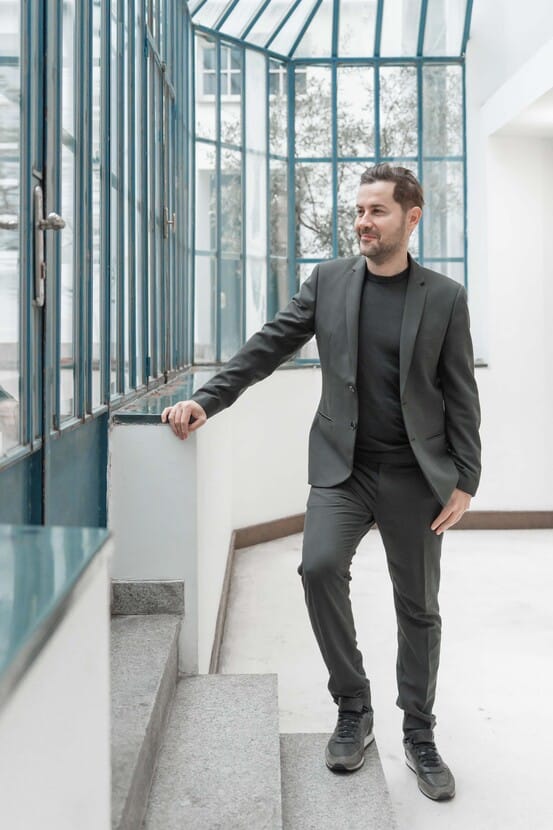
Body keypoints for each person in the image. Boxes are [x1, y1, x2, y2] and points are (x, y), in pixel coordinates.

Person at [161, 164, 481, 802]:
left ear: (411, 218)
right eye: (358, 210)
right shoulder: (329, 281)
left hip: (416, 476)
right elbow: (269, 344)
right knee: (318, 567)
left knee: (418, 606)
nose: (363, 222)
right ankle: (353, 706)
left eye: (377, 211)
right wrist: (207, 399)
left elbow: (460, 392)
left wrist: (466, 479)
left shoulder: (444, 296)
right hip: (343, 469)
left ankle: (419, 730)